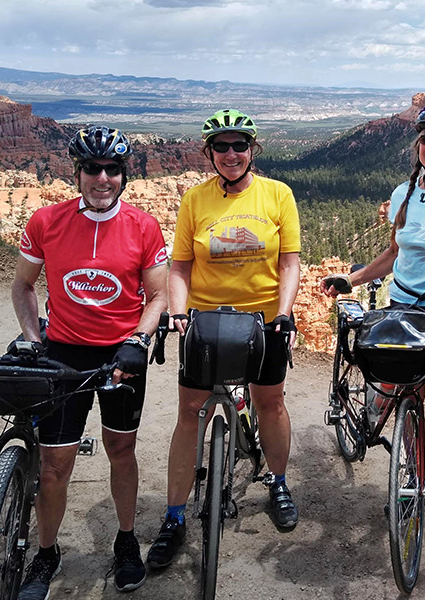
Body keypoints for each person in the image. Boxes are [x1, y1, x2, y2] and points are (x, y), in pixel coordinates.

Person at [321, 105, 425, 552]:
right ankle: (414, 481)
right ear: (418, 145)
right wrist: (352, 279)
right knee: (407, 398)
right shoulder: (404, 194)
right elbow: (393, 255)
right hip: (404, 309)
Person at [12, 125, 168, 598]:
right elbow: (23, 286)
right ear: (76, 173)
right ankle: (46, 552)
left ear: (124, 175)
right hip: (63, 353)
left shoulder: (144, 226)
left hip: (122, 354)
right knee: (56, 466)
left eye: (112, 170)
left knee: (121, 452)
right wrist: (35, 339)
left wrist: (138, 341)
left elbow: (158, 295)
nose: (102, 179)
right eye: (92, 169)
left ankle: (125, 542)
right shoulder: (46, 222)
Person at [146, 109, 301, 569]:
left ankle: (277, 482)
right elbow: (180, 266)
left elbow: (290, 262)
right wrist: (177, 313)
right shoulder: (195, 200)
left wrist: (286, 314)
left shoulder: (277, 194)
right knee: (189, 410)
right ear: (209, 152)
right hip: (205, 320)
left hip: (265, 319)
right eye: (221, 146)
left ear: (253, 149)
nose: (231, 154)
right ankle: (174, 516)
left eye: (239, 145)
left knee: (270, 402)